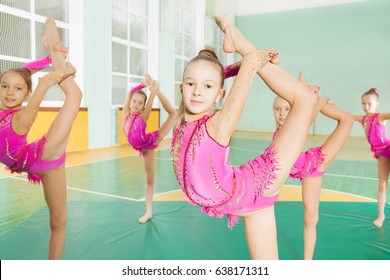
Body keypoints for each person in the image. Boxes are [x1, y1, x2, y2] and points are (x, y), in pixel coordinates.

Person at [170, 15, 319, 260]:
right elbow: (212, 79)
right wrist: (235, 67)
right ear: (181, 87)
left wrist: (256, 57)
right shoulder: (181, 121)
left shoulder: (216, 127)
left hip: (260, 183)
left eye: (207, 87)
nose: (197, 91)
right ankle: (235, 40)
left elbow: (247, 72)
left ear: (219, 95)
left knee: (306, 98)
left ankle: (237, 39)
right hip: (248, 204)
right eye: (190, 84)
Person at [0, 17, 82, 259]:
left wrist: (65, 68)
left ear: (26, 93)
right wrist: (50, 59)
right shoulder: (4, 111)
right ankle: (52, 40)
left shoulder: (21, 118)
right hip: (45, 166)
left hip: (43, 155)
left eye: (17, 88)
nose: (9, 92)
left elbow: (45, 83)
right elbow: (28, 72)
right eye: (4, 86)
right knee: (58, 221)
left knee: (75, 95)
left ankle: (52, 34)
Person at [272, 72, 353, 259]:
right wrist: (314, 98)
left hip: (316, 163)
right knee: (310, 218)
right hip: (307, 170)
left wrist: (317, 101)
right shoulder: (280, 131)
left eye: (286, 109)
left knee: (347, 119)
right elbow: (306, 117)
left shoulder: (292, 124)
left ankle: (307, 263)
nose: (282, 113)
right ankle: (320, 99)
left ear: (293, 110)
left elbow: (307, 117)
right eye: (278, 109)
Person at [122, 74, 177, 224]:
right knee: (149, 178)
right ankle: (149, 211)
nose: (136, 104)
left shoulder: (143, 117)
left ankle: (148, 211)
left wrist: (154, 91)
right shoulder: (125, 114)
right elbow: (129, 93)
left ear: (143, 107)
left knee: (150, 179)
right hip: (139, 146)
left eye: (140, 103)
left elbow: (149, 101)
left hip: (149, 143)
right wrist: (143, 85)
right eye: (134, 101)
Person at [353, 88, 390, 228]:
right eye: (363, 103)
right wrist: (327, 104)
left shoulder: (380, 117)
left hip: (388, 148)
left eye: (369, 104)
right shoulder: (363, 119)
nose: (366, 107)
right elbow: (345, 116)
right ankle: (381, 215)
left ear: (377, 104)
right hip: (382, 154)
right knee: (382, 185)